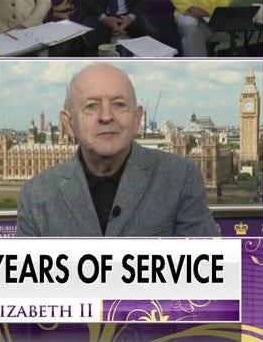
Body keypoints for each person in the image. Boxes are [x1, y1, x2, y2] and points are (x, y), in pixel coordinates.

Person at [16, 63, 219, 237]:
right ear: (69, 124)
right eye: (91, 106)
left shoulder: (180, 178)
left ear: (138, 119)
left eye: (119, 104)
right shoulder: (36, 196)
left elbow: (207, 272)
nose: (106, 116)